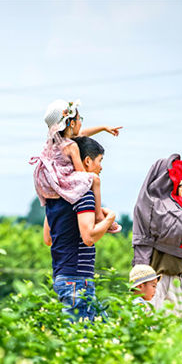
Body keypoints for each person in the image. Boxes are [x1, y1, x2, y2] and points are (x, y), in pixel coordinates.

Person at [43, 137, 116, 322]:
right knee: (80, 338)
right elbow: (88, 237)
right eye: (99, 161)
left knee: (103, 329)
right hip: (77, 279)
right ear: (87, 161)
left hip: (62, 276)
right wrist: (109, 219)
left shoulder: (56, 196)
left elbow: (48, 238)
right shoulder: (83, 196)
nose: (100, 168)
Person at [30, 98, 123, 234]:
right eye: (80, 120)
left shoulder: (55, 141)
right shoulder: (72, 146)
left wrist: (103, 128)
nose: (81, 124)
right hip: (65, 179)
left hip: (53, 180)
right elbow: (81, 173)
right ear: (72, 123)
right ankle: (98, 216)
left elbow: (82, 134)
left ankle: (98, 213)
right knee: (94, 180)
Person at [132, 154, 182, 317]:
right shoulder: (151, 203)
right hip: (159, 277)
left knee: (175, 329)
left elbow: (175, 231)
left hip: (175, 273)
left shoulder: (168, 205)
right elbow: (172, 231)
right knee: (162, 326)